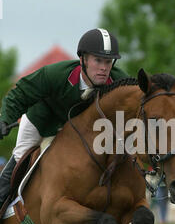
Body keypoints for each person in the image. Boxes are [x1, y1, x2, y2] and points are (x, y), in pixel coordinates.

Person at [0, 28, 129, 208]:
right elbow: (20, 92)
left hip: (81, 134)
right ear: (82, 59)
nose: (104, 67)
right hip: (43, 122)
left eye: (108, 62)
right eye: (98, 60)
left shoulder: (119, 83)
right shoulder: (56, 74)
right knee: (20, 161)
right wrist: (5, 119)